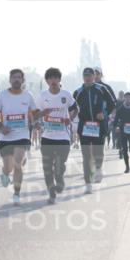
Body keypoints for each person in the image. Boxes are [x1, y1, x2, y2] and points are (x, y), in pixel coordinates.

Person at [0, 68, 38, 205]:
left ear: (23, 80)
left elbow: (34, 113)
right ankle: (5, 173)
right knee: (9, 167)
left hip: (22, 135)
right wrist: (0, 126)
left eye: (19, 77)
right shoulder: (2, 96)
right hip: (5, 137)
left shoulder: (28, 96)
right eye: (14, 77)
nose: (16, 80)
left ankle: (17, 193)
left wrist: (36, 122)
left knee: (18, 164)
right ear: (10, 80)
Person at [36, 67, 77, 204]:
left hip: (63, 137)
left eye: (55, 78)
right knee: (47, 167)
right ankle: (51, 193)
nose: (53, 81)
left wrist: (70, 119)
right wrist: (43, 113)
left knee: (59, 164)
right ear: (47, 81)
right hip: (47, 137)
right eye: (50, 78)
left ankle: (59, 178)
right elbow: (35, 114)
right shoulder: (43, 96)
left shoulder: (66, 94)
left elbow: (74, 109)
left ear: (59, 80)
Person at [74, 67, 115, 193]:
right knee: (86, 156)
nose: (88, 77)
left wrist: (104, 113)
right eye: (85, 75)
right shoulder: (78, 92)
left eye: (90, 75)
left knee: (98, 151)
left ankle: (98, 168)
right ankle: (88, 184)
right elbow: (71, 106)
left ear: (94, 76)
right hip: (85, 126)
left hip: (99, 125)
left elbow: (112, 103)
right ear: (83, 77)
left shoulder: (101, 89)